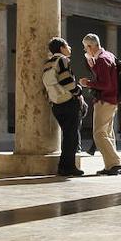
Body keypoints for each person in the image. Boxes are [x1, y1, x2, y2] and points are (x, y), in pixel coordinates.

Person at [79, 33, 121, 176]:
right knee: (107, 133)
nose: (85, 51)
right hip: (111, 100)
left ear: (90, 46)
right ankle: (111, 165)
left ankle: (115, 164)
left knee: (99, 134)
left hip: (105, 100)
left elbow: (105, 84)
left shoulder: (102, 60)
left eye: (85, 48)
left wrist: (88, 83)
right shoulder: (108, 56)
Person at [42, 37, 87, 177]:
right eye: (67, 45)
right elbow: (66, 80)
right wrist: (78, 91)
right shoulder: (62, 60)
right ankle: (67, 167)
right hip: (68, 103)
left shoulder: (48, 63)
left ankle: (64, 166)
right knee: (71, 137)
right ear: (61, 48)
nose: (70, 48)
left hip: (56, 104)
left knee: (68, 136)